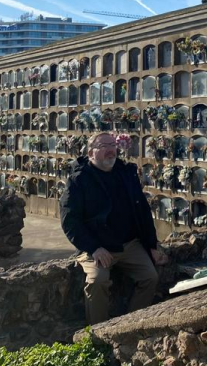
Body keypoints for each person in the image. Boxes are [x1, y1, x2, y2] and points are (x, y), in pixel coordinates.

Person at [59, 132, 167, 325]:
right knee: (98, 281)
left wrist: (151, 245)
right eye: (103, 146)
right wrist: (93, 248)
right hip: (97, 246)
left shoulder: (125, 173)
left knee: (150, 276)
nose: (111, 150)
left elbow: (142, 210)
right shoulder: (79, 180)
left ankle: (130, 325)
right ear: (91, 153)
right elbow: (70, 221)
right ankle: (97, 333)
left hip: (128, 244)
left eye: (112, 145)